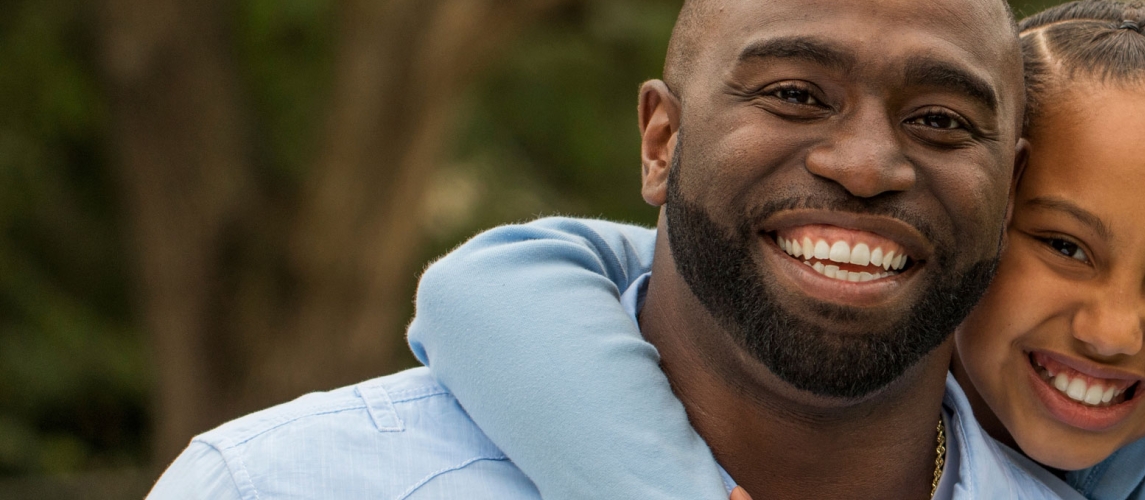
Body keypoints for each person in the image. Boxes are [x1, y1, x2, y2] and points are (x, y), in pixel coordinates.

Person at [146, 0, 1083, 498]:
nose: (868, 164)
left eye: (939, 119)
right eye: (796, 94)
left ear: (1011, 187)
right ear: (660, 142)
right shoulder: (279, 486)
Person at [408, 1, 1145, 499]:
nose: (1108, 327)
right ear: (989, 206)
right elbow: (484, 286)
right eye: (1062, 245)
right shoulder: (806, 266)